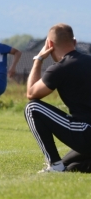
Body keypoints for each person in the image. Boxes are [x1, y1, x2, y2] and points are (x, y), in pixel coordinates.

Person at [25, 23, 91, 173]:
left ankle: (54, 165)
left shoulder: (60, 67)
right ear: (74, 42)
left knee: (32, 107)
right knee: (69, 166)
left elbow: (31, 93)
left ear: (49, 44)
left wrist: (38, 59)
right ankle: (63, 167)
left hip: (86, 132)